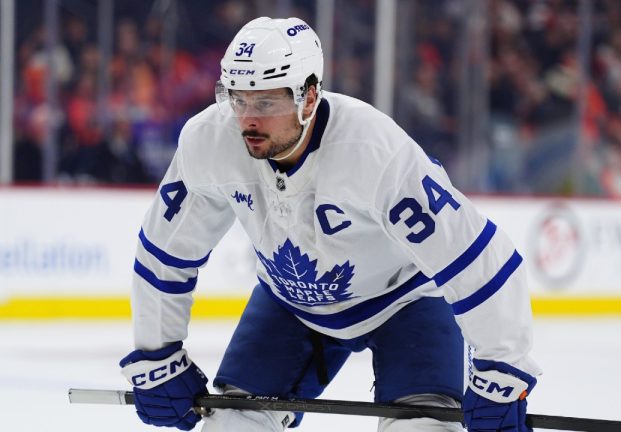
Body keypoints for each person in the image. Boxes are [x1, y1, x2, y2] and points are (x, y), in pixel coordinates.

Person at [119, 17, 541, 432]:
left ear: (308, 96)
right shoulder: (209, 140)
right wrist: (157, 356)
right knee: (232, 425)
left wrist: (502, 372)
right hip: (291, 303)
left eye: (266, 103)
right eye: (238, 98)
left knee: (424, 429)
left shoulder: (374, 151)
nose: (248, 119)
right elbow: (165, 251)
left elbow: (480, 258)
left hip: (406, 302)